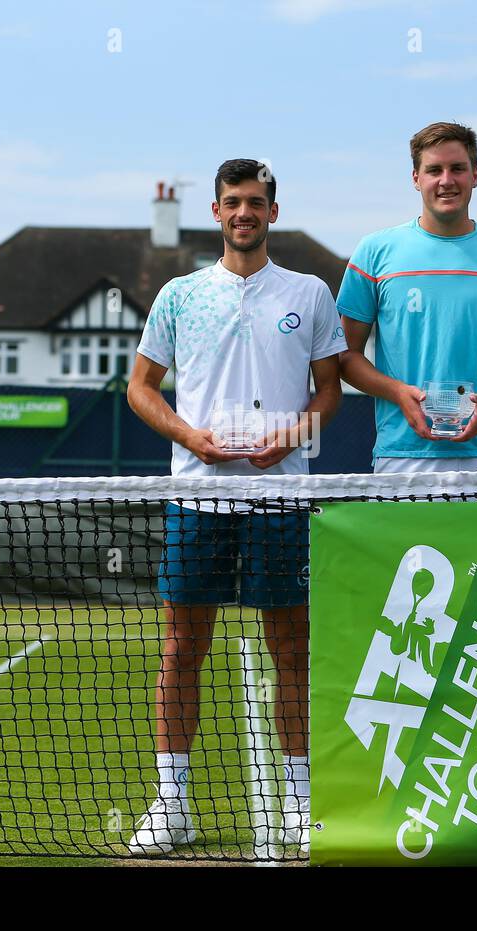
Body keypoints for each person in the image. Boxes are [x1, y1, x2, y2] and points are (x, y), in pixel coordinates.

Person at [126, 159, 344, 855]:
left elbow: (330, 393)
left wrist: (293, 435)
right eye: (232, 203)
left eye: (256, 202)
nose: (244, 212)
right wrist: (189, 435)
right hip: (198, 496)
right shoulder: (180, 294)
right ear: (216, 213)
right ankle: (171, 804)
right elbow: (141, 387)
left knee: (293, 653)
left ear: (272, 213)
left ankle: (303, 804)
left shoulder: (310, 294)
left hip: (284, 499)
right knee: (183, 648)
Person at [336, 121, 477, 473]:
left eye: (458, 169)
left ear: (475, 175)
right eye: (434, 170)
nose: (446, 180)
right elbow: (345, 355)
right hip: (403, 456)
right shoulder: (374, 252)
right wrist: (397, 392)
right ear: (415, 178)